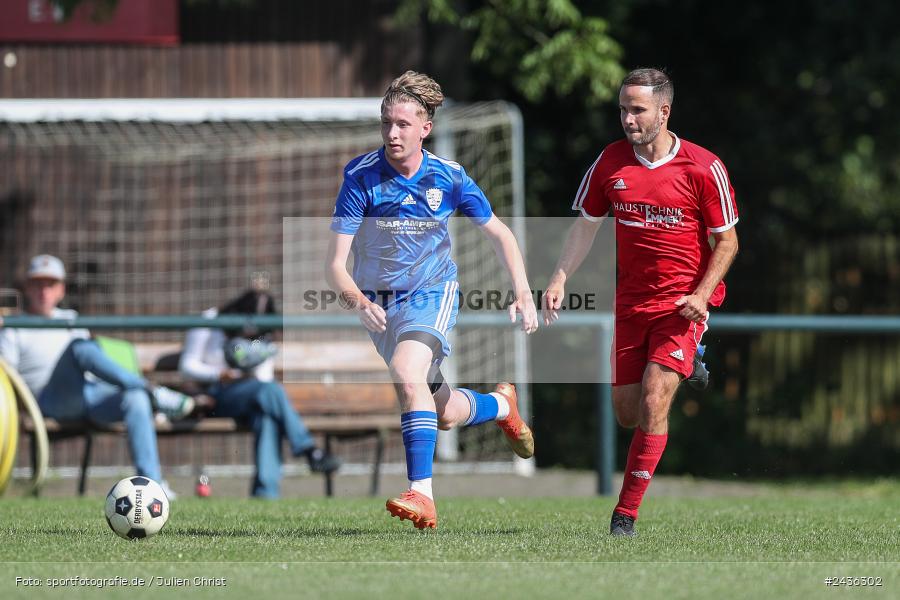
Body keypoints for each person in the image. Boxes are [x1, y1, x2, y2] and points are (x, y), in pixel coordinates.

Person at [326, 70, 539, 530]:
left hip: (432, 293)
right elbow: (336, 265)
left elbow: (499, 233)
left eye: (402, 124)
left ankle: (421, 495)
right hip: (380, 306)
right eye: (386, 123)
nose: (392, 133)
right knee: (442, 412)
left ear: (426, 127)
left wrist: (523, 291)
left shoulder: (449, 177)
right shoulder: (361, 178)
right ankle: (502, 407)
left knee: (407, 374)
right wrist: (357, 300)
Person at [542, 68, 740, 536]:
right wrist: (558, 277)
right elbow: (586, 224)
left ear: (664, 112)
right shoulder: (610, 162)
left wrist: (702, 294)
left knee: (654, 400)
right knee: (627, 412)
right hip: (631, 304)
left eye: (638, 110)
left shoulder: (702, 167)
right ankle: (694, 360)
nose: (628, 119)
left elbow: (728, 242)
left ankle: (624, 515)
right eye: (623, 110)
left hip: (682, 306)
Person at [0, 255, 193, 496]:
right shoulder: (13, 327)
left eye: (50, 285)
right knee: (79, 347)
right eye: (38, 284)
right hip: (47, 401)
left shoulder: (70, 318)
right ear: (27, 287)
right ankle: (152, 390)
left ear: (61, 290)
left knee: (134, 398)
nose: (43, 291)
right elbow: (6, 381)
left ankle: (153, 486)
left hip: (88, 393)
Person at [178, 288, 341, 499]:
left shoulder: (263, 339)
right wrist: (219, 374)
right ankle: (309, 451)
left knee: (267, 417)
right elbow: (187, 366)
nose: (250, 331)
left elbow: (263, 380)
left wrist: (253, 362)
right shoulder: (209, 321)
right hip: (214, 397)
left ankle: (265, 494)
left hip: (253, 396)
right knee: (270, 391)